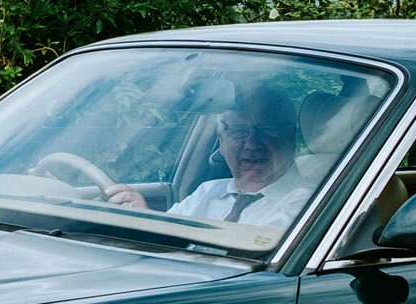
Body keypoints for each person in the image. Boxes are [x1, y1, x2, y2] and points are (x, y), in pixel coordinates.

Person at [106, 84, 313, 227]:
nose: (251, 143)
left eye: (266, 130)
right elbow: (165, 241)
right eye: (238, 131)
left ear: (290, 138)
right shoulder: (208, 191)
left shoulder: (307, 204)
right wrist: (143, 218)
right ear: (222, 141)